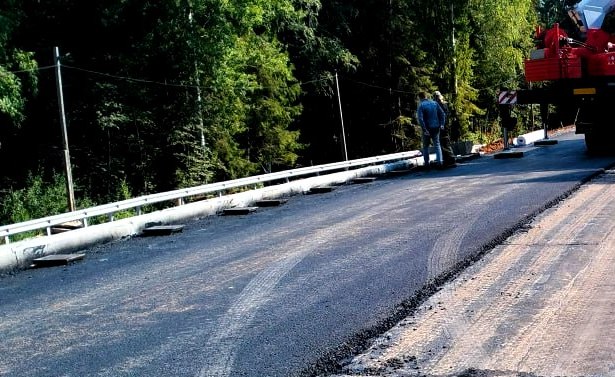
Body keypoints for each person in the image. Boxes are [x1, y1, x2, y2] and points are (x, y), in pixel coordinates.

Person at [416, 91, 445, 168]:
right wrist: (442, 124)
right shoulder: (434, 103)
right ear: (426, 96)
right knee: (437, 144)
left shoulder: (421, 105)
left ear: (420, 97)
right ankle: (440, 162)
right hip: (436, 127)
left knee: (425, 146)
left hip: (427, 128)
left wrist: (424, 129)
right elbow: (442, 114)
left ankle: (427, 164)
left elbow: (420, 119)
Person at [433, 91, 458, 168]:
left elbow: (442, 116)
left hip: (442, 126)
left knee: (444, 143)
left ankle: (450, 160)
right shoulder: (444, 104)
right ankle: (448, 159)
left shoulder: (440, 105)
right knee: (444, 142)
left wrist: (441, 124)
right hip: (445, 126)